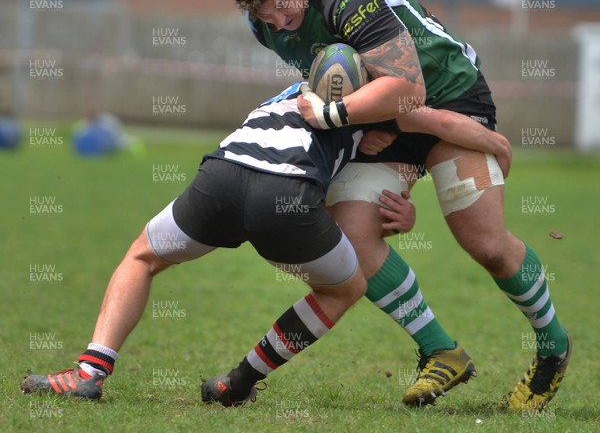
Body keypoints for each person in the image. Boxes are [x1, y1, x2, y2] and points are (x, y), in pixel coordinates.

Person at [227, 0, 570, 411]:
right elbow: (343, 78)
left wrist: (338, 117)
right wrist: (361, 123)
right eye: (269, 19)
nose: (281, 25)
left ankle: (553, 347)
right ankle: (440, 350)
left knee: (486, 243)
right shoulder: (264, 23)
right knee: (351, 235)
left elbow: (409, 89)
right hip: (388, 121)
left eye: (286, 11)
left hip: (449, 99)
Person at [20, 81, 508, 405]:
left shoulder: (293, 88)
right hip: (285, 199)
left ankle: (89, 373)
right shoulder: (373, 103)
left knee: (142, 257)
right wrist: (497, 145)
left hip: (222, 178)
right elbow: (441, 125)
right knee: (345, 288)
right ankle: (239, 384)